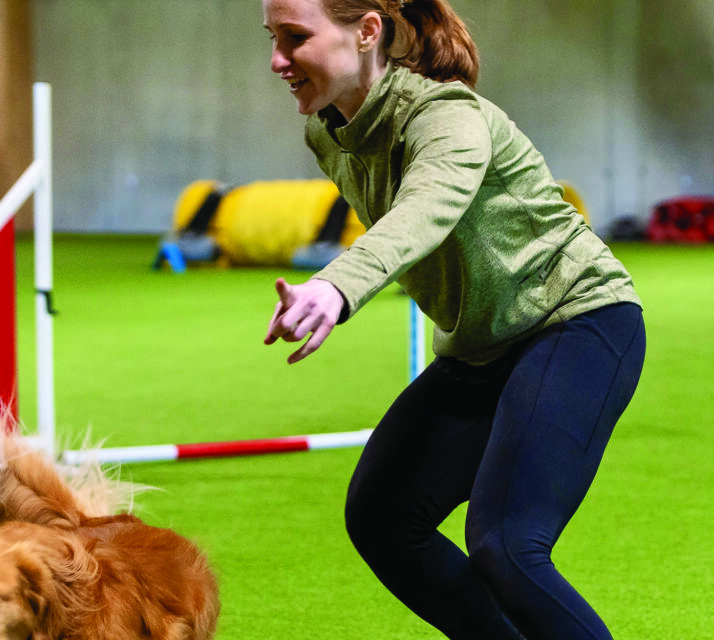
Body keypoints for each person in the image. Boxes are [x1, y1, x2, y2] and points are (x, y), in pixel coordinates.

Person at [260, 1, 646, 639]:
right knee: (382, 516)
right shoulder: (327, 133)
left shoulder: (446, 116)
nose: (277, 60)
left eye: (295, 38)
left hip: (576, 321)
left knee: (506, 544)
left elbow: (425, 208)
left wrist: (336, 286)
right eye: (272, 40)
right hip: (482, 349)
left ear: (366, 33)